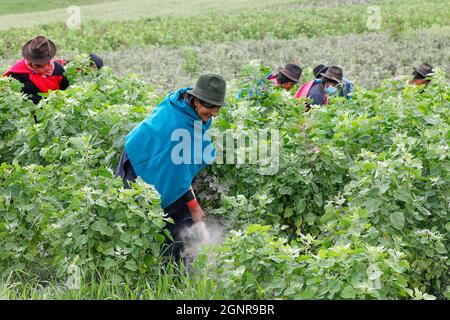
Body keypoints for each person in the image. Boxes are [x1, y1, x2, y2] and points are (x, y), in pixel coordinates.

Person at [115, 74, 227, 260]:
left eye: (217, 109)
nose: (213, 115)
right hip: (137, 165)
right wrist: (194, 207)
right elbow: (178, 173)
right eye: (209, 110)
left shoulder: (182, 105)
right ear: (197, 100)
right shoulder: (179, 121)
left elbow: (181, 168)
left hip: (157, 161)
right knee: (147, 216)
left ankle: (178, 267)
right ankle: (166, 268)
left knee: (177, 215)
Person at [3, 36, 69, 105]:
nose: (34, 64)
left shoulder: (58, 69)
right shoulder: (18, 70)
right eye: (32, 60)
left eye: (38, 62)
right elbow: (11, 92)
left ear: (48, 59)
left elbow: (65, 90)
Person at [236, 63, 302, 99]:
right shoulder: (270, 88)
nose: (292, 87)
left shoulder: (271, 77)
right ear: (285, 82)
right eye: (292, 84)